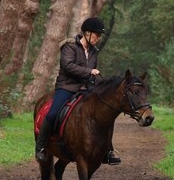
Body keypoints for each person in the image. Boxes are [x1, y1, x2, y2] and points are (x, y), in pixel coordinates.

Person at [35, 17, 121, 165]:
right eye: (96, 35)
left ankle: (108, 151)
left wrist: (102, 84)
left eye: (99, 36)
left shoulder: (94, 51)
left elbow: (93, 73)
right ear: (87, 33)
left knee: (104, 113)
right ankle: (40, 148)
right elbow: (68, 65)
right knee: (53, 113)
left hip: (87, 88)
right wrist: (89, 72)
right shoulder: (70, 47)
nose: (98, 38)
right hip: (67, 87)